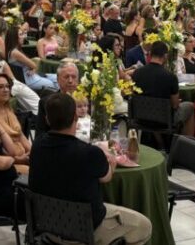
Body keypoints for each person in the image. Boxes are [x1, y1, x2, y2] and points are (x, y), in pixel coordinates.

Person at [29, 93, 152, 245]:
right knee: (144, 225)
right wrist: (112, 161)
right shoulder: (89, 153)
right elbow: (106, 177)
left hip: (47, 224)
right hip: (86, 228)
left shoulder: (37, 146)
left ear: (47, 119)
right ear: (75, 117)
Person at [132, 41, 195, 136]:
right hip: (164, 119)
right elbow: (175, 105)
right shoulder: (170, 77)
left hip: (141, 117)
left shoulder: (137, 73)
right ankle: (185, 141)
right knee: (190, 106)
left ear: (150, 54)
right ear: (165, 56)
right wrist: (177, 102)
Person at [0, 73, 31, 173]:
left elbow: (20, 135)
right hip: (7, 163)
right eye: (0, 87)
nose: (6, 90)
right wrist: (19, 159)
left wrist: (31, 153)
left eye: (7, 86)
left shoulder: (8, 109)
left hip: (24, 158)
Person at [35, 62, 79, 137]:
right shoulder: (46, 103)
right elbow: (40, 135)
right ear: (58, 80)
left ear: (78, 80)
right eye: (66, 77)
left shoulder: (88, 100)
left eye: (74, 77)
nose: (70, 81)